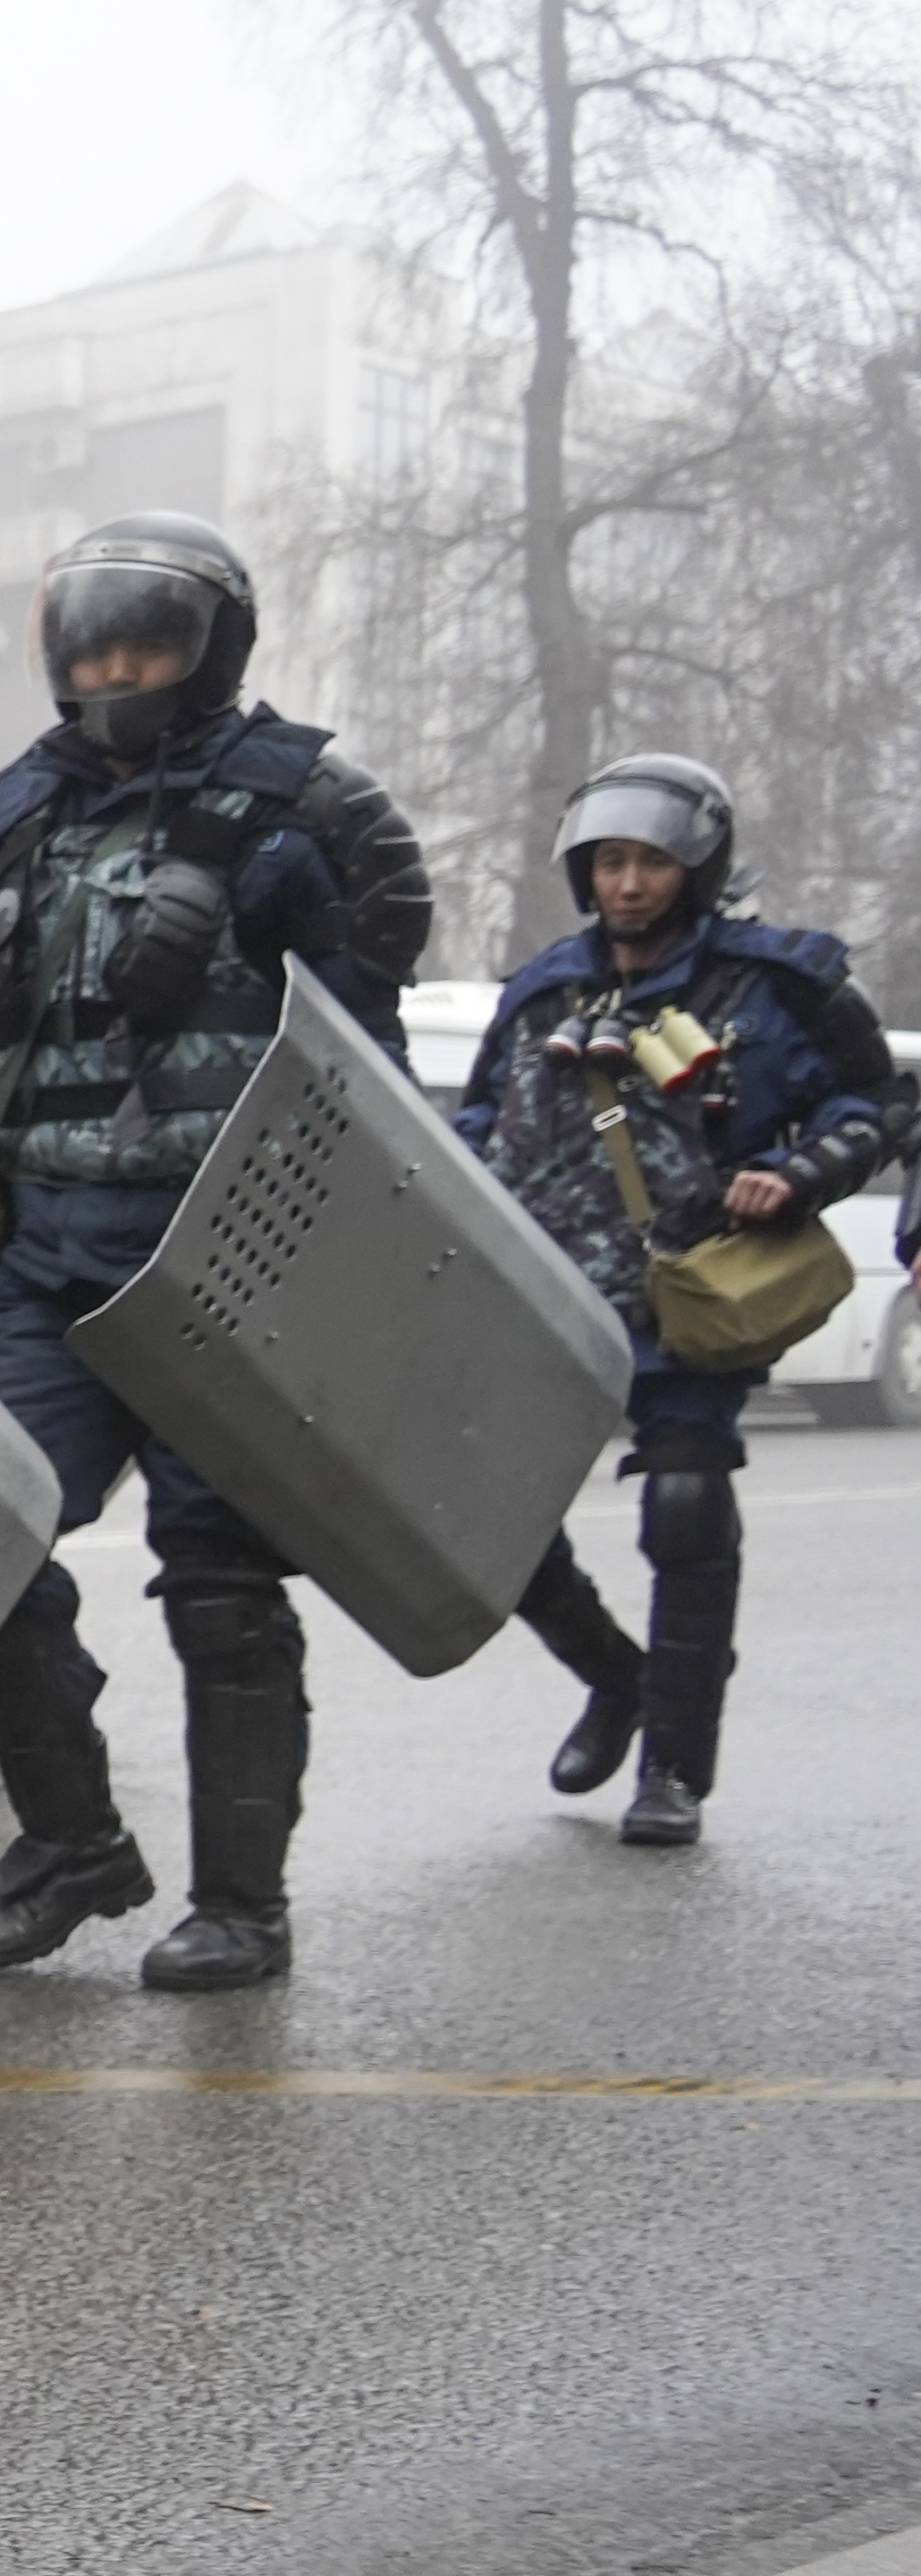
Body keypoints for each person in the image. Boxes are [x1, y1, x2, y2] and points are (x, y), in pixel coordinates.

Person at [0, 511, 429, 1989]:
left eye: (145, 646)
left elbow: (362, 1053)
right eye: (93, 649)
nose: (115, 673)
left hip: (222, 1258)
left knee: (220, 1588)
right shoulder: (14, 815)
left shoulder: (302, 809)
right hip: (48, 1251)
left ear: (210, 649)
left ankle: (242, 1905)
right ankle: (72, 1844)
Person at [460, 753, 903, 1846]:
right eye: (609, 861)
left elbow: (879, 1101)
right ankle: (617, 1679)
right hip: (548, 1295)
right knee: (484, 1521)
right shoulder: (542, 990)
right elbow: (472, 1129)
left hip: (689, 1289)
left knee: (685, 1508)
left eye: (651, 862)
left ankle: (672, 1770)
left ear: (695, 868)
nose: (627, 883)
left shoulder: (777, 984)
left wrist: (797, 1174)